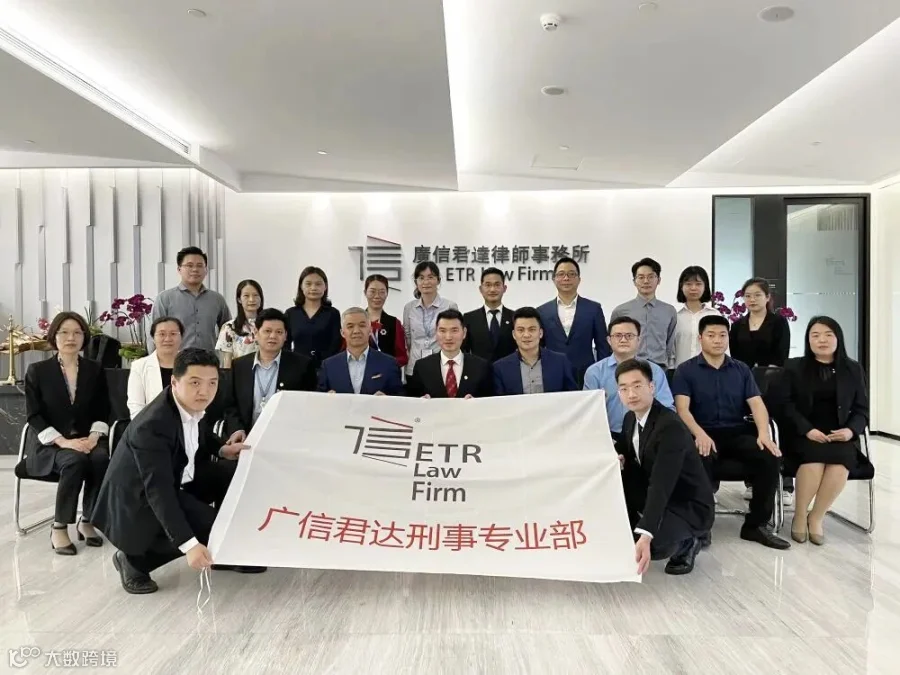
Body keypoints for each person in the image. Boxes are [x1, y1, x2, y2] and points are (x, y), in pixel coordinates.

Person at [92, 349, 265, 595]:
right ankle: (133, 561)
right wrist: (190, 545)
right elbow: (158, 491)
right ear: (174, 382)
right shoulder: (152, 426)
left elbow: (198, 432)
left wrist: (222, 449)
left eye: (212, 383)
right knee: (209, 527)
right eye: (195, 382)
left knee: (231, 473)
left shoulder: (188, 403)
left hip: (179, 477)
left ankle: (219, 548)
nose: (204, 391)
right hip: (138, 498)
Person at [672, 315, 790, 550]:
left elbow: (757, 404)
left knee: (769, 456)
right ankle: (701, 527)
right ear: (700, 338)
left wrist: (763, 434)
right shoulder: (686, 370)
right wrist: (699, 434)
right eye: (711, 335)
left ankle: (756, 525)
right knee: (700, 458)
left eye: (722, 335)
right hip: (702, 432)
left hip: (736, 432)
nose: (717, 340)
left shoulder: (741, 369)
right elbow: (682, 409)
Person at [615, 359, 715, 576]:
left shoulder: (670, 426)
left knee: (653, 545)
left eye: (637, 386)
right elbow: (624, 451)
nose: (631, 394)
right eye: (624, 388)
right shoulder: (630, 419)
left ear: (651, 387)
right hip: (656, 491)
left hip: (686, 503)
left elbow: (661, 483)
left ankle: (690, 541)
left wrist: (646, 532)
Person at [23, 311, 111, 555]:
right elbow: (34, 415)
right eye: (64, 332)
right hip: (50, 443)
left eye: (77, 333)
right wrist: (63, 441)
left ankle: (88, 520)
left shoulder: (94, 369)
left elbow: (103, 409)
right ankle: (59, 526)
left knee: (101, 458)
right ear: (54, 336)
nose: (71, 338)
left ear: (84, 337)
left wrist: (93, 438)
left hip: (87, 439)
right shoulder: (38, 370)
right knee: (74, 460)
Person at [781, 317, 868, 546]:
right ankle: (800, 515)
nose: (822, 340)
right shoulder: (794, 367)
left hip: (840, 434)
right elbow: (785, 406)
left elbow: (862, 410)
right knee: (813, 461)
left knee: (840, 463)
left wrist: (850, 431)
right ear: (808, 339)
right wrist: (807, 430)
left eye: (828, 334)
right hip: (803, 433)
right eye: (815, 335)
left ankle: (817, 516)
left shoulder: (853, 369)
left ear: (838, 338)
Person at [729, 277, 793, 505]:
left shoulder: (779, 323)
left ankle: (785, 484)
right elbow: (736, 359)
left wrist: (763, 375)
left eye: (757, 295)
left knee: (778, 430)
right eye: (748, 296)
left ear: (767, 297)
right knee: (750, 430)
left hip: (773, 384)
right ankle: (752, 482)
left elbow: (781, 356)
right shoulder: (737, 325)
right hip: (745, 386)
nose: (752, 300)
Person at [223, 308, 317, 439]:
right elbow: (230, 405)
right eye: (267, 331)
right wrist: (236, 430)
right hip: (246, 438)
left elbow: (308, 405)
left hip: (287, 437)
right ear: (256, 333)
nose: (273, 336)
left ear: (285, 336)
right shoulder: (239, 366)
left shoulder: (302, 365)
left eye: (279, 332)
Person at [584, 316, 674, 440]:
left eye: (629, 336)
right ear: (609, 340)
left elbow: (667, 407)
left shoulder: (654, 371)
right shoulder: (595, 372)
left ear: (639, 340)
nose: (623, 340)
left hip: (648, 434)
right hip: (607, 435)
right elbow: (589, 411)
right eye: (618, 336)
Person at [537, 257, 610, 386]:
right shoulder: (542, 311)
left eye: (571, 274)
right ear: (554, 279)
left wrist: (604, 376)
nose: (566, 278)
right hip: (553, 373)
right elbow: (539, 347)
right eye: (561, 274)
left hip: (586, 373)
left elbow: (602, 346)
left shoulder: (593, 308)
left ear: (579, 279)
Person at [149, 246, 230, 352]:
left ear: (206, 270)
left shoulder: (217, 299)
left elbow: (228, 331)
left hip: (209, 359)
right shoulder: (164, 299)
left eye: (200, 266)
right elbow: (154, 334)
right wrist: (154, 360)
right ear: (179, 269)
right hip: (176, 360)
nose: (195, 269)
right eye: (189, 265)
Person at [406, 309, 492, 399]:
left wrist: (477, 403)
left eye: (454, 330)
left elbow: (490, 402)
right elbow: (412, 401)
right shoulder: (422, 367)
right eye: (442, 331)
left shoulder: (481, 367)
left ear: (464, 333)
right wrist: (421, 402)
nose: (448, 337)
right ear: (436, 333)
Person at [319, 307, 404, 395]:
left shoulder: (389, 363)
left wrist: (387, 399)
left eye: (362, 325)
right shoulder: (328, 366)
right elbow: (318, 398)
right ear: (342, 332)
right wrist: (326, 399)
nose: (356, 331)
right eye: (350, 326)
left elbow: (400, 397)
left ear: (370, 330)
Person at [493, 307, 577, 394]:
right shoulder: (500, 368)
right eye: (521, 330)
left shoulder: (561, 362)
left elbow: (573, 397)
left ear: (540, 333)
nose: (526, 335)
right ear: (514, 334)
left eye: (532, 329)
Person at [610, 258, 677, 368]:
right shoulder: (620, 311)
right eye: (641, 277)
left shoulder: (669, 311)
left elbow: (670, 343)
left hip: (660, 367)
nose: (646, 281)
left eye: (651, 277)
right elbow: (614, 341)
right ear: (634, 281)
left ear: (659, 280)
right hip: (628, 367)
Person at [402, 261, 458, 377]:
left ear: (438, 280)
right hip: (414, 367)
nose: (426, 282)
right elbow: (408, 339)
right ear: (416, 282)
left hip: (440, 368)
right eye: (421, 278)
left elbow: (454, 337)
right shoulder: (409, 308)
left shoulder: (449, 306)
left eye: (430, 277)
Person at [285, 266, 342, 369]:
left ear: (325, 287)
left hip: (325, 368)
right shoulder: (291, 313)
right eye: (308, 284)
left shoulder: (333, 313)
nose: (313, 288)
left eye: (318, 284)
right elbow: (285, 343)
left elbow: (336, 344)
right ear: (301, 286)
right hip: (297, 368)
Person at [127, 316, 184, 419]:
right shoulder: (139, 366)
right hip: (150, 424)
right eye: (162, 334)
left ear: (181, 337)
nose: (168, 339)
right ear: (153, 338)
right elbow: (136, 406)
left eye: (173, 334)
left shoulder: (192, 365)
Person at [463, 267, 516, 363]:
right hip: (478, 371)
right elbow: (464, 352)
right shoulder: (469, 318)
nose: (492, 289)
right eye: (488, 285)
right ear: (481, 289)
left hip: (508, 370)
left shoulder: (515, 317)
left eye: (497, 285)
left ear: (504, 288)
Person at [672, 266, 720, 368]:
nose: (693, 288)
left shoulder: (714, 315)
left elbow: (723, 346)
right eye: (688, 284)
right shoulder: (675, 317)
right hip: (681, 371)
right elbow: (671, 350)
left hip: (709, 370)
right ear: (681, 287)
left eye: (698, 284)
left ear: (705, 286)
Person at [357, 274, 408, 369]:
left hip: (386, 374)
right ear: (365, 292)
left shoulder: (394, 323)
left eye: (382, 292)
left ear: (387, 294)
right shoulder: (356, 321)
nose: (377, 296)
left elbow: (402, 357)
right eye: (372, 291)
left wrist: (386, 364)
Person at [216, 279, 264, 368]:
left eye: (255, 295)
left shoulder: (268, 325)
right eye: (246, 296)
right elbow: (227, 361)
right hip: (240, 373)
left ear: (261, 298)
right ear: (239, 299)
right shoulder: (229, 327)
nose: (251, 299)